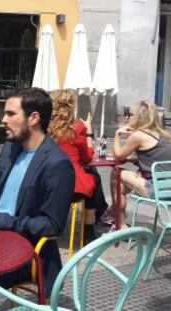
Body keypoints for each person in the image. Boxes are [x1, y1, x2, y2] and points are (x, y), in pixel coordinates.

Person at [0, 88, 75, 297]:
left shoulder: (57, 163)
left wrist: (2, 221)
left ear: (33, 118)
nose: (3, 119)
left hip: (27, 252)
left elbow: (52, 225)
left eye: (10, 113)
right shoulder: (11, 147)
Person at [48, 90, 109, 243]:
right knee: (93, 179)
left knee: (92, 177)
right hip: (72, 188)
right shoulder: (76, 127)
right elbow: (87, 157)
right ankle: (89, 231)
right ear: (71, 106)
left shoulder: (43, 127)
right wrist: (88, 133)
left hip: (48, 185)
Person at [109, 100, 171, 229]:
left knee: (116, 175)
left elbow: (118, 156)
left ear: (138, 118)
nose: (126, 117)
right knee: (127, 180)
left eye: (129, 114)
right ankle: (114, 211)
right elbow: (156, 160)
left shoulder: (138, 135)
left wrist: (117, 135)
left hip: (159, 191)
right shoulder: (164, 134)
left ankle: (120, 223)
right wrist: (135, 160)